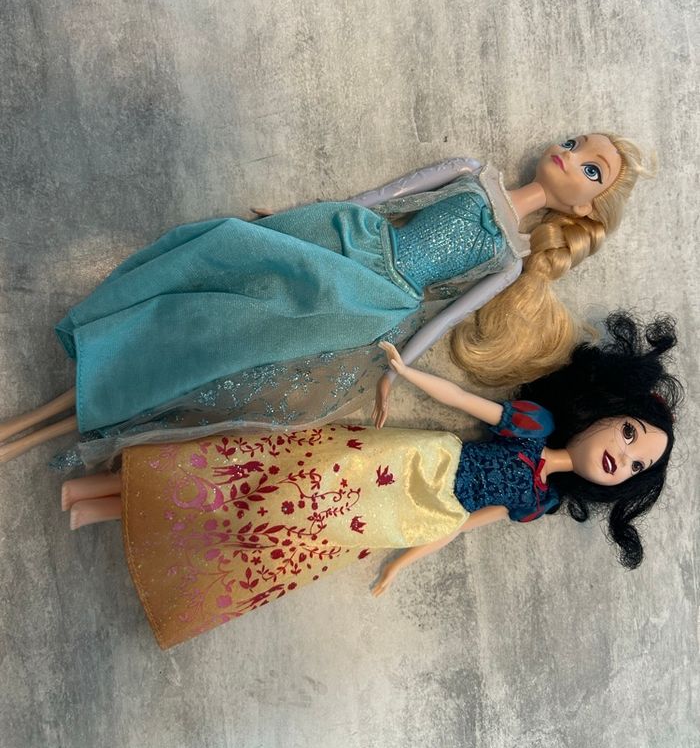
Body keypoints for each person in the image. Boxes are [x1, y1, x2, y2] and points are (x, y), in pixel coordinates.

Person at [0, 133, 650, 468]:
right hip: (347, 239)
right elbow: (380, 197)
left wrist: (395, 372)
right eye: (575, 145)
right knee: (213, 287)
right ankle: (58, 402)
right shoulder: (470, 170)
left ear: (584, 210)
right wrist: (294, 220)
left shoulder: (509, 262)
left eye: (591, 170)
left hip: (375, 302)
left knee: (228, 349)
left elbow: (444, 316)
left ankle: (64, 417)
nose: (570, 158)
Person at [59, 312, 680, 649]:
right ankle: (102, 493)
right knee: (268, 477)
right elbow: (465, 402)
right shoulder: (532, 425)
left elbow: (464, 526)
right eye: (629, 434)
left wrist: (401, 563)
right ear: (605, 408)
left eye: (636, 467)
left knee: (276, 529)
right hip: (404, 463)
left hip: (405, 516)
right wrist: (406, 373)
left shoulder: (538, 501)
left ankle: (104, 505)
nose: (622, 458)